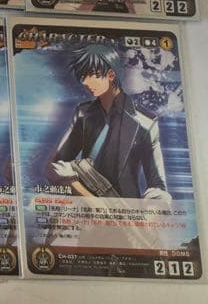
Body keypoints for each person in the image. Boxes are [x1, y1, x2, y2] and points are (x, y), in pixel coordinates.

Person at [48, 45, 169, 200]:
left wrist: (152, 207)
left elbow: (157, 186)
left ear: (111, 75)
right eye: (82, 76)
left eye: (92, 75)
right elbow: (55, 166)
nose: (85, 82)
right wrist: (88, 197)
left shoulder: (146, 122)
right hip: (85, 206)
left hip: (126, 207)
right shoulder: (83, 113)